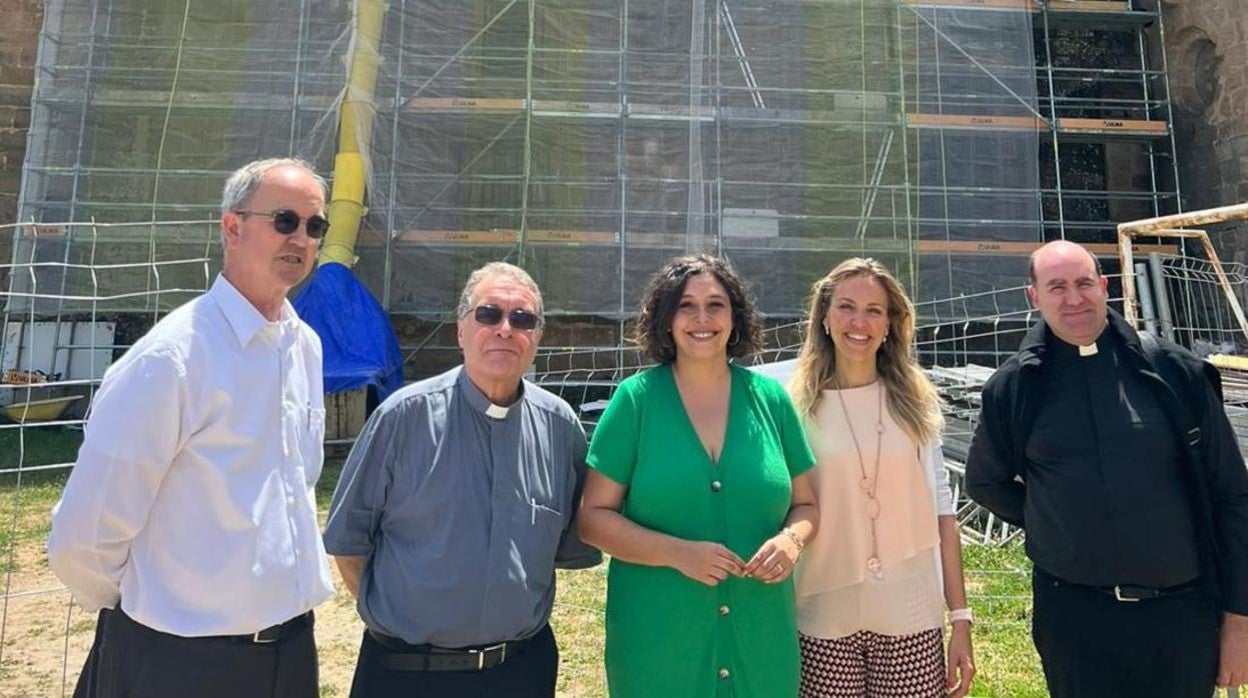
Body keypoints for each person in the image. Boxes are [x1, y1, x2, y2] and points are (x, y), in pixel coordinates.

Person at [47, 157, 335, 697]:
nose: (300, 237)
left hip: (290, 650)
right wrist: (158, 607)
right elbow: (84, 538)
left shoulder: (305, 347)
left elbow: (296, 483)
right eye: (284, 220)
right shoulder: (172, 359)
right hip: (180, 659)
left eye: (314, 226)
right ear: (232, 226)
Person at [965, 239, 1248, 697]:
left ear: (1106, 286)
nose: (1073, 298)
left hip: (1181, 618)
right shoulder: (1014, 388)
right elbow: (984, 481)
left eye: (1083, 283)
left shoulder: (1177, 373)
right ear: (1034, 297)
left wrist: (1240, 618)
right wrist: (1052, 518)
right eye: (1057, 287)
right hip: (1076, 622)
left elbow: (1233, 494)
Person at [323, 261, 600, 698]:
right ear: (461, 330)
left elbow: (568, 544)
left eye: (522, 319)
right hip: (406, 672)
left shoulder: (560, 428)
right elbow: (348, 543)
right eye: (489, 314)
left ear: (538, 337)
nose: (505, 329)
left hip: (519, 672)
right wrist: (406, 622)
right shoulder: (402, 418)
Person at [577, 254, 819, 697]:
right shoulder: (635, 402)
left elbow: (807, 505)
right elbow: (593, 518)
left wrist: (792, 540)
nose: (701, 318)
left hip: (761, 636)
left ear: (736, 317)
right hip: (658, 640)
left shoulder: (772, 401)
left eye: (716, 304)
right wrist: (675, 553)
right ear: (666, 320)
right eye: (686, 305)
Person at [784, 257, 974, 698]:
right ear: (825, 318)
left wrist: (960, 618)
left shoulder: (916, 403)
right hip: (821, 613)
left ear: (890, 323)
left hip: (910, 613)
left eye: (874, 310)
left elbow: (944, 514)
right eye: (847, 307)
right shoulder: (794, 408)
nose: (859, 322)